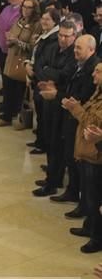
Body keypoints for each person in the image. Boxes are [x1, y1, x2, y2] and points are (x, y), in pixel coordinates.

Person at [50, 35, 100, 208]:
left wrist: (58, 96)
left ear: (91, 50)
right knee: (70, 157)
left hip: (81, 122)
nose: (75, 50)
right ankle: (73, 192)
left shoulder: (92, 68)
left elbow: (83, 99)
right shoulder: (78, 64)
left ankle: (82, 202)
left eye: (79, 47)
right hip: (71, 117)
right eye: (75, 47)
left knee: (83, 167)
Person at [32, 20, 77, 196]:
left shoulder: (74, 54)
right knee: (49, 140)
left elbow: (66, 74)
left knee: (58, 143)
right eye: (60, 35)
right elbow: (38, 65)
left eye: (67, 36)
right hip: (47, 99)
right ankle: (52, 176)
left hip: (62, 103)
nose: (63, 39)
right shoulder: (52, 47)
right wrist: (49, 74)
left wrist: (48, 72)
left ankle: (53, 182)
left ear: (74, 36)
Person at [63, 62, 102, 254]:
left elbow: (91, 121)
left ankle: (96, 237)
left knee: (95, 197)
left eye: (98, 71)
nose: (93, 74)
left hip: (96, 154)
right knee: (88, 193)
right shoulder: (97, 93)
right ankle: (89, 226)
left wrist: (75, 109)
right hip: (87, 149)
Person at [0, 0, 42, 127]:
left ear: (34, 9)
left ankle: (21, 119)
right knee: (8, 89)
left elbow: (33, 46)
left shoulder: (36, 25)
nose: (26, 10)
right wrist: (9, 40)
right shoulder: (19, 20)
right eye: (24, 7)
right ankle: (7, 116)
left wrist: (17, 42)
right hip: (11, 58)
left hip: (23, 61)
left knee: (20, 93)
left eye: (29, 7)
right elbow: (12, 34)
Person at [25, 9, 62, 154]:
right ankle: (39, 140)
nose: (44, 21)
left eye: (48, 19)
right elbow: (34, 54)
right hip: (37, 77)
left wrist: (34, 72)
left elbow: (46, 63)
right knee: (40, 114)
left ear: (55, 21)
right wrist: (27, 64)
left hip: (44, 80)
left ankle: (43, 144)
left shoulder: (54, 39)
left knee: (45, 116)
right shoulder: (44, 35)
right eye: (43, 18)